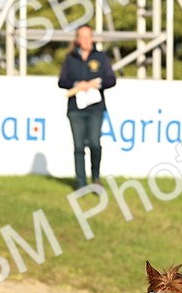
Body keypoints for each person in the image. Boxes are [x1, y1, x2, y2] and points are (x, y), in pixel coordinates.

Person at [57, 24, 117, 189]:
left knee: (95, 143)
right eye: (82, 37)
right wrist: (78, 84)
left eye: (88, 36)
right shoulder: (70, 59)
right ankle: (81, 182)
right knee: (78, 146)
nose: (85, 40)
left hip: (95, 108)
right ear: (77, 39)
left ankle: (96, 176)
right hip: (76, 108)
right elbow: (62, 81)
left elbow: (111, 80)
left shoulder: (100, 57)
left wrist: (96, 83)